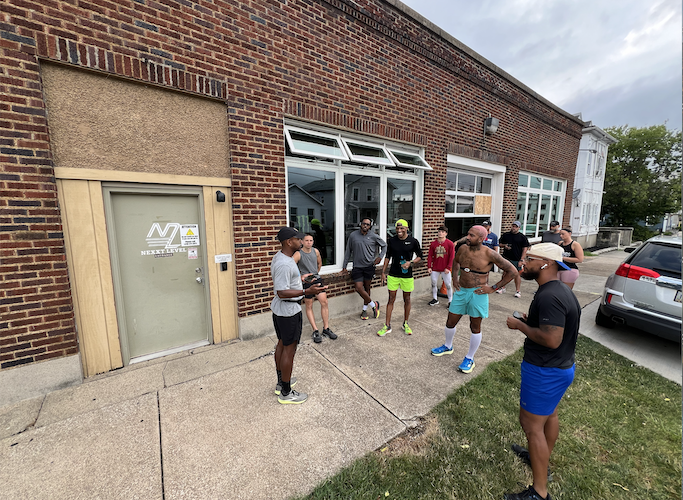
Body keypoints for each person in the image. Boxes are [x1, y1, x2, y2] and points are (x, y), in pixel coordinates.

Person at [504, 243, 579, 500]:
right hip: (560, 367)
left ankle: (539, 492)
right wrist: (531, 322)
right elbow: (554, 327)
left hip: (544, 371)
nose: (523, 263)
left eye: (529, 259)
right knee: (549, 415)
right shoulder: (558, 289)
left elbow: (551, 339)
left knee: (531, 425)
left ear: (546, 263)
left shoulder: (549, 296)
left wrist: (519, 326)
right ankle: (539, 458)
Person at [431, 225, 518, 373]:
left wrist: (493, 287)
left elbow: (513, 271)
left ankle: (470, 358)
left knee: (475, 326)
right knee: (450, 321)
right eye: (468, 234)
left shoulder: (490, 254)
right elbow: (456, 262)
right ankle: (447, 346)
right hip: (461, 291)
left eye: (472, 235)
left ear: (481, 239)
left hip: (478, 293)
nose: (468, 237)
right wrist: (455, 278)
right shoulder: (463, 249)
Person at [271, 227, 326, 404]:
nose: (301, 241)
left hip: (282, 310)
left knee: (282, 344)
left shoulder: (282, 257)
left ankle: (281, 383)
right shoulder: (284, 263)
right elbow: (281, 292)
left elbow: (286, 283)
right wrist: (306, 290)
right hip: (288, 312)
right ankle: (286, 393)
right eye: (298, 239)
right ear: (289, 242)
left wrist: (301, 279)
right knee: (289, 349)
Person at [377, 219, 423, 336]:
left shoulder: (413, 241)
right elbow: (387, 257)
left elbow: (420, 256)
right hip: (393, 274)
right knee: (391, 299)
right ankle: (387, 325)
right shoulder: (392, 241)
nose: (399, 230)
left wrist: (410, 263)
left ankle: (405, 323)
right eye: (397, 228)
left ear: (406, 228)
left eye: (401, 228)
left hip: (407, 276)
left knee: (407, 299)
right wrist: (383, 271)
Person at [294, 234, 337, 343]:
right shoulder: (298, 254)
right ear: (302, 242)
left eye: (311, 240)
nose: (309, 242)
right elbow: (291, 269)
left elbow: (319, 264)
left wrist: (315, 274)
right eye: (307, 240)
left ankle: (326, 328)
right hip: (306, 282)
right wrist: (301, 277)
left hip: (316, 279)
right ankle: (315, 330)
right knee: (309, 305)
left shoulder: (316, 251)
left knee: (324, 302)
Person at [341, 218, 387, 320]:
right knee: (358, 288)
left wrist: (380, 257)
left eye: (367, 224)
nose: (365, 225)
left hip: (369, 266)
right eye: (364, 223)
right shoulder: (353, 235)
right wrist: (344, 266)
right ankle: (374, 305)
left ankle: (364, 310)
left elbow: (384, 245)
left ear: (370, 226)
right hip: (357, 267)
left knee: (367, 288)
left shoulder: (374, 236)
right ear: (360, 224)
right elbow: (348, 251)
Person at [499, 221, 531, 298]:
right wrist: (505, 246)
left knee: (516, 275)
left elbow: (525, 249)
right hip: (506, 258)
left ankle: (518, 291)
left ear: (519, 228)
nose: (514, 228)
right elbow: (499, 244)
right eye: (513, 226)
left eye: (516, 227)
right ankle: (502, 287)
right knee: (505, 273)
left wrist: (521, 259)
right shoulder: (506, 235)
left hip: (517, 259)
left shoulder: (522, 237)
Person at [427, 225, 455, 307]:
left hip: (445, 268)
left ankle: (450, 301)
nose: (440, 233)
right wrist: (429, 266)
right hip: (435, 268)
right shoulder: (433, 244)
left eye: (442, 232)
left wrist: (448, 267)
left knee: (448, 285)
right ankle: (435, 299)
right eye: (439, 231)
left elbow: (451, 256)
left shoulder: (450, 244)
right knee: (433, 283)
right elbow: (430, 256)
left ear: (446, 233)